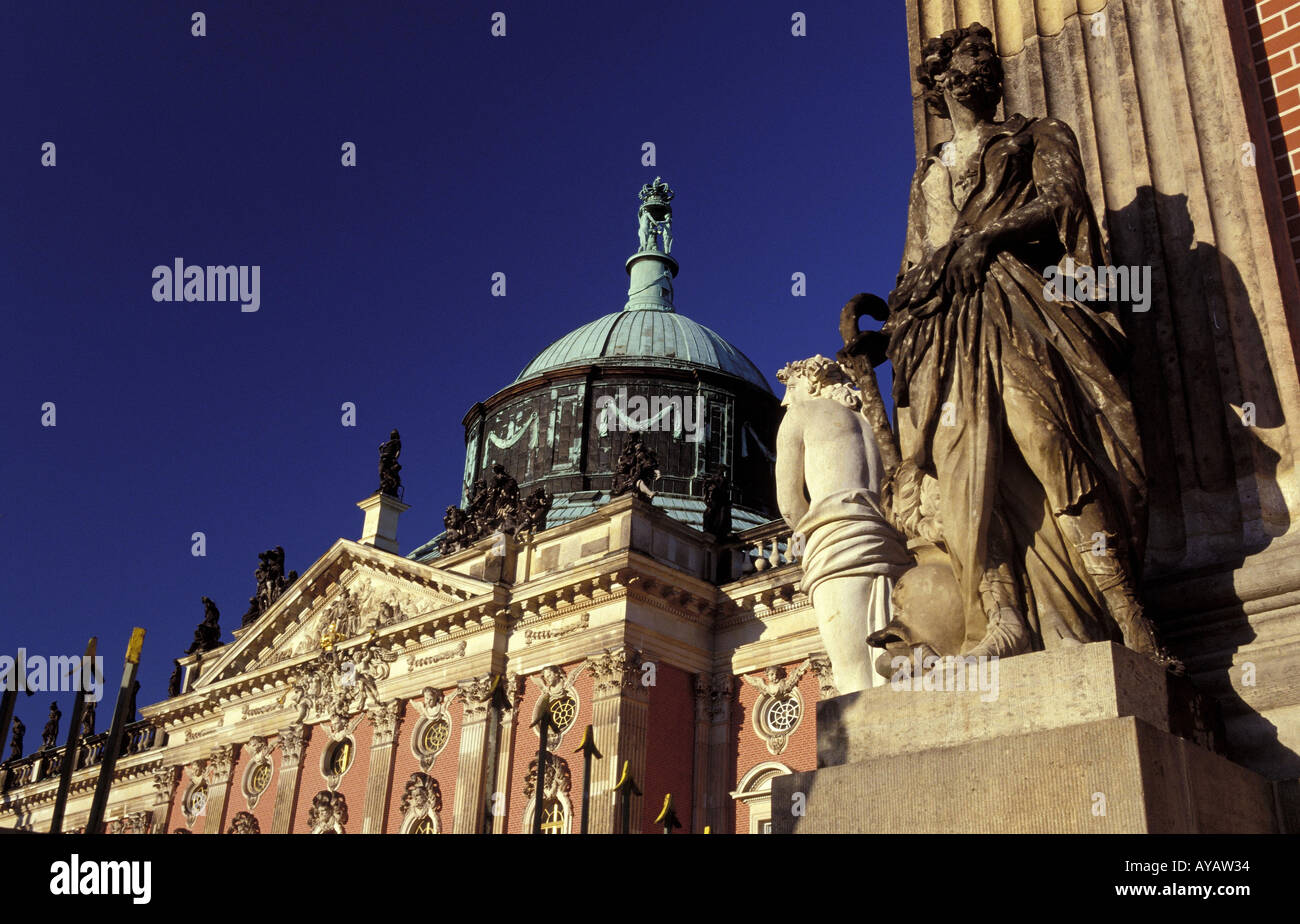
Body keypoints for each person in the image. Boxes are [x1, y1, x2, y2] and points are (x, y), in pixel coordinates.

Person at [883, 22, 1178, 669]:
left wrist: (985, 238)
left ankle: (1129, 615)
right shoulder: (927, 173)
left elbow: (1062, 200)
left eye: (987, 58)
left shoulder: (1035, 135)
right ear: (941, 80)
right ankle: (1004, 617)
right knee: (965, 476)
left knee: (1051, 446)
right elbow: (913, 261)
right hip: (945, 333)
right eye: (969, 57)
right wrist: (892, 322)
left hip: (1016, 309)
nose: (984, 66)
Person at [775, 356, 912, 692]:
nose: (785, 399)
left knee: (852, 674)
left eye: (791, 387)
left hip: (836, 542)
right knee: (896, 666)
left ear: (812, 382)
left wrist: (809, 538)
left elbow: (790, 503)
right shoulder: (873, 419)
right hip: (888, 540)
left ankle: (869, 745)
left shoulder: (801, 415)